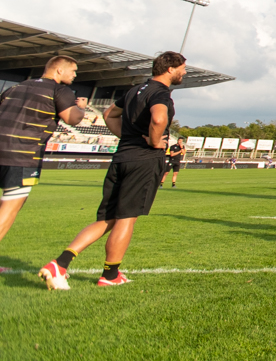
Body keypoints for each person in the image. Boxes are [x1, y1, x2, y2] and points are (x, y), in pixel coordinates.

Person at [40, 52, 186, 289]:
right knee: (126, 218)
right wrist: (152, 141)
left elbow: (109, 114)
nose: (185, 72)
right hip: (143, 160)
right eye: (183, 68)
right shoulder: (160, 93)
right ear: (170, 69)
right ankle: (110, 276)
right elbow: (159, 119)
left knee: (107, 218)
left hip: (122, 157)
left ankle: (60, 263)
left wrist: (126, 137)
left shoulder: (135, 90)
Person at [0, 56, 88, 247]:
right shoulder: (59, 90)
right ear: (59, 71)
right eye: (73, 71)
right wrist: (82, 108)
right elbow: (72, 118)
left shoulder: (15, 87)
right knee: (10, 205)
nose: (74, 75)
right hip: (22, 154)